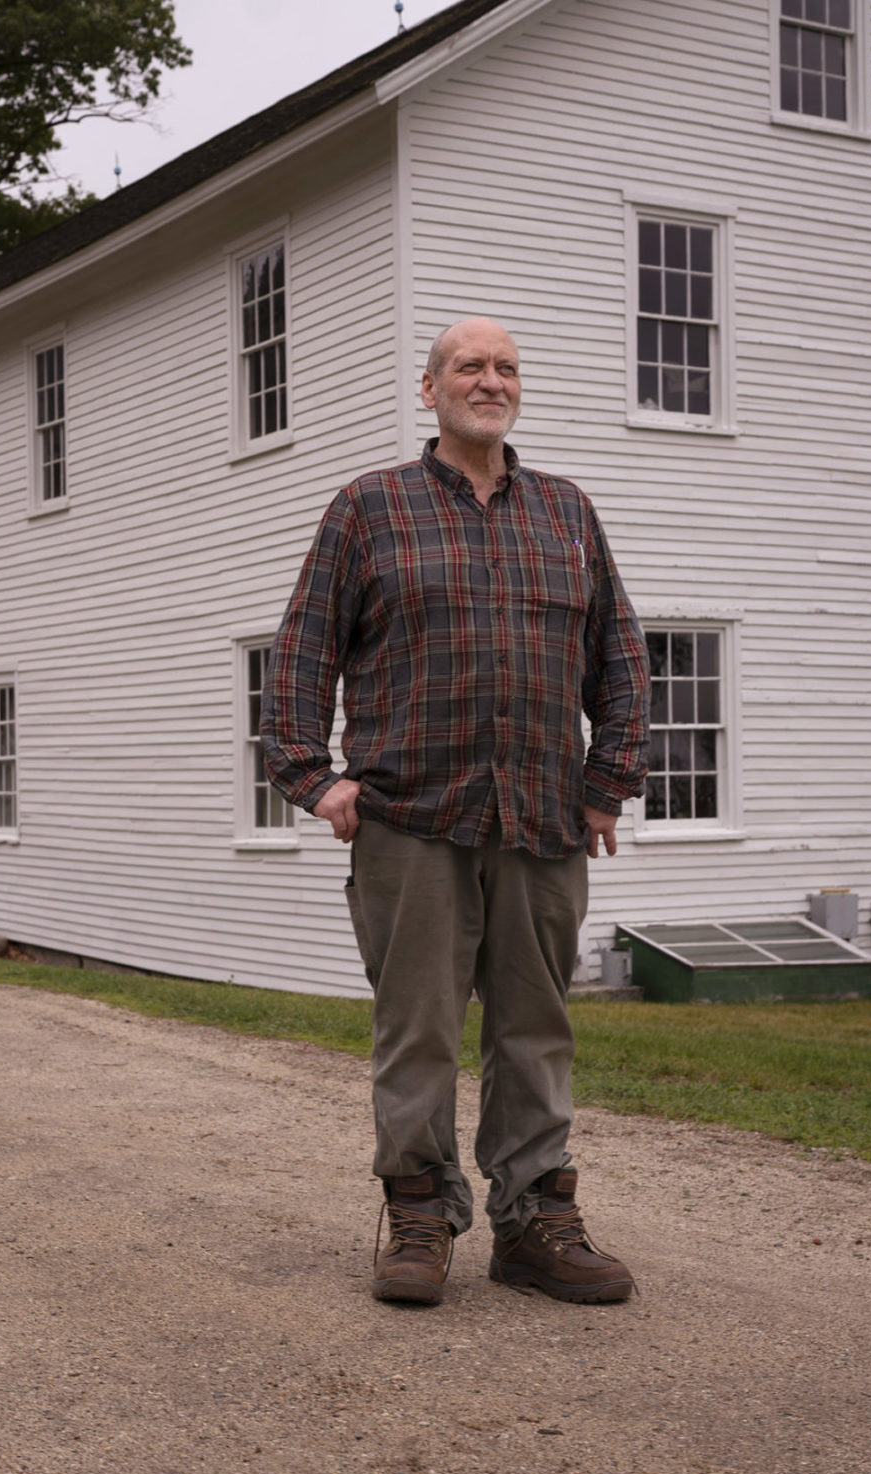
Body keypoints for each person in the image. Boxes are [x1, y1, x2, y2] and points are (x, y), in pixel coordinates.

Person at [262, 316, 649, 1306]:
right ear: (427, 388)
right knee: (418, 1031)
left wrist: (607, 779)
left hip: (541, 819)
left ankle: (534, 1224)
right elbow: (302, 650)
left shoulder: (566, 512)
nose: (490, 380)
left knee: (534, 1028)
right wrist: (312, 776)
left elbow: (619, 654)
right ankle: (420, 1220)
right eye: (469, 366)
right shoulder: (368, 509)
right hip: (410, 819)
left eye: (506, 367)